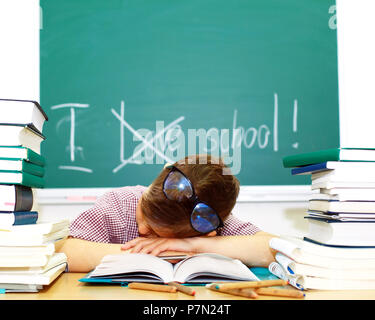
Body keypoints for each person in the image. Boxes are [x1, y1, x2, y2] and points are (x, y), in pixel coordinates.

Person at [56, 155, 276, 272]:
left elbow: (276, 248)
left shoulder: (208, 221)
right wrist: (156, 255)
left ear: (205, 232)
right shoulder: (120, 204)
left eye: (154, 231)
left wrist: (195, 246)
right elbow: (64, 251)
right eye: (143, 213)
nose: (142, 229)